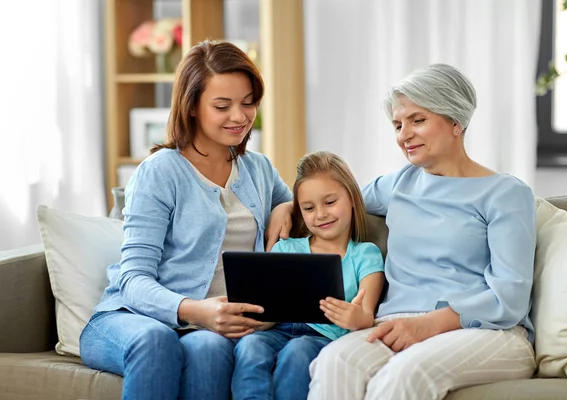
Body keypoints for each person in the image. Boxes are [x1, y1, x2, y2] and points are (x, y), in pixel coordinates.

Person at [267, 63, 537, 400]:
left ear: (456, 121)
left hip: (490, 331)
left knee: (404, 374)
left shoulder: (506, 194)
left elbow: (509, 296)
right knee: (334, 360)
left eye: (417, 120)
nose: (403, 135)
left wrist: (429, 324)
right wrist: (286, 206)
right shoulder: (399, 184)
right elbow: (334, 200)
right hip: (398, 322)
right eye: (398, 124)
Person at [79, 40, 292, 400]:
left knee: (210, 349)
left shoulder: (259, 169)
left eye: (248, 103)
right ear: (191, 106)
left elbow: (302, 202)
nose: (239, 117)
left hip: (209, 330)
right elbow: (133, 278)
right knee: (157, 340)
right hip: (133, 318)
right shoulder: (159, 172)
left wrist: (285, 206)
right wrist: (196, 311)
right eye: (222, 106)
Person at [231, 151, 385, 400]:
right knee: (250, 345)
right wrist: (261, 318)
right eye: (309, 208)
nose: (321, 214)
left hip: (325, 336)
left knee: (298, 349)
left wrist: (356, 317)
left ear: (353, 199)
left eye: (330, 202)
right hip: (277, 330)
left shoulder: (366, 254)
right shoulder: (285, 247)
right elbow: (268, 304)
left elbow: (366, 315)